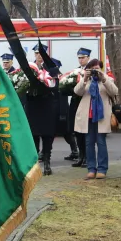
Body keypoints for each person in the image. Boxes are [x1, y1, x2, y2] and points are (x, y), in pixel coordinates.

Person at [73, 56, 118, 180]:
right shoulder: (85, 80)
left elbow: (114, 91)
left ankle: (102, 169)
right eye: (92, 69)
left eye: (97, 68)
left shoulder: (107, 79)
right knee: (89, 143)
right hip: (88, 117)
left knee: (101, 143)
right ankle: (91, 169)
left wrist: (104, 79)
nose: (95, 71)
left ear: (101, 69)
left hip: (101, 117)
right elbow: (77, 92)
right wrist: (85, 78)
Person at [23, 45, 61, 175]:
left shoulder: (52, 68)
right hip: (33, 106)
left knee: (47, 136)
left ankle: (47, 163)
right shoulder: (28, 68)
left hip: (47, 106)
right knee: (34, 136)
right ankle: (35, 165)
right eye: (37, 53)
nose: (39, 56)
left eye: (41, 53)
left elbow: (57, 88)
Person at [64, 48, 96, 167]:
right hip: (75, 103)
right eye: (79, 58)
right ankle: (81, 156)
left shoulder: (92, 70)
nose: (81, 60)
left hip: (86, 103)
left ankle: (88, 157)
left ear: (88, 58)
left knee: (86, 132)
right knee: (77, 131)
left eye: (83, 57)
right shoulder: (76, 71)